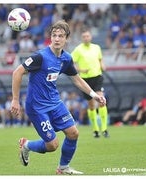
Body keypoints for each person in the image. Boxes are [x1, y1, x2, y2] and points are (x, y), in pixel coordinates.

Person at [10, 20, 106, 175]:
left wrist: (94, 95)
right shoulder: (40, 57)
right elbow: (17, 72)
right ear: (51, 37)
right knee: (52, 145)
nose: (56, 39)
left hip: (55, 103)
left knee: (73, 133)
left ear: (66, 38)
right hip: (37, 106)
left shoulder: (66, 58)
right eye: (54, 35)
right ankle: (27, 145)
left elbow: (76, 79)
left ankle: (63, 168)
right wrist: (15, 99)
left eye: (60, 36)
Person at [71, 28, 110, 138]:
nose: (86, 38)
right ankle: (95, 129)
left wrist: (102, 65)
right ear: (81, 38)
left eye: (87, 36)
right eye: (84, 36)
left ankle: (104, 128)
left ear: (91, 37)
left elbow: (100, 59)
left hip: (97, 76)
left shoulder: (96, 48)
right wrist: (80, 70)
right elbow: (71, 63)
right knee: (91, 105)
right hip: (85, 80)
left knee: (101, 100)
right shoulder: (78, 50)